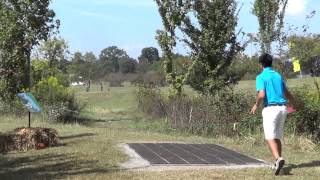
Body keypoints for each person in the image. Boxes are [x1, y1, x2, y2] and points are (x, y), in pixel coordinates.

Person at [250, 53, 296, 176]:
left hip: (270, 109)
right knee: (277, 137)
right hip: (283, 109)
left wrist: (256, 105)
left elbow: (261, 95)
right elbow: (287, 93)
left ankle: (278, 159)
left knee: (269, 137)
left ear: (261, 64)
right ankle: (279, 167)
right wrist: (294, 104)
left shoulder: (261, 77)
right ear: (271, 63)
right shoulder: (277, 76)